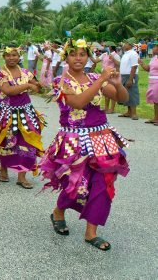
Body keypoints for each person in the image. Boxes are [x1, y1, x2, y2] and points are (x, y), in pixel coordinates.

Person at [41, 38, 129, 251]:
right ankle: (58, 212)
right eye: (73, 54)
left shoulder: (93, 77)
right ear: (66, 57)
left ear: (88, 57)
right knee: (76, 184)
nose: (78, 58)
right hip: (74, 140)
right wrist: (101, 80)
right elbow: (79, 102)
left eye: (82, 54)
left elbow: (122, 99)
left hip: (101, 138)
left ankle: (91, 232)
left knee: (102, 183)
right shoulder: (60, 82)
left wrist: (117, 84)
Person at [0, 47, 45, 188]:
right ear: (4, 57)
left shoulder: (26, 72)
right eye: (8, 55)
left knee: (28, 142)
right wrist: (28, 85)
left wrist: (39, 85)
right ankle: (4, 170)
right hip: (7, 112)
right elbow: (8, 91)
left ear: (19, 57)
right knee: (7, 141)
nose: (12, 58)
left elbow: (37, 88)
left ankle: (22, 176)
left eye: (14, 55)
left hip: (26, 111)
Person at [118, 39, 140, 120]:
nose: (124, 45)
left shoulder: (133, 54)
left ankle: (134, 113)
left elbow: (134, 66)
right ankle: (129, 111)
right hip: (124, 75)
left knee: (132, 93)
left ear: (130, 45)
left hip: (130, 75)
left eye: (126, 43)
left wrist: (130, 79)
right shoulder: (126, 54)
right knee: (126, 93)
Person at [138, 43, 158, 125]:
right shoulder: (154, 58)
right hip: (152, 81)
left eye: (154, 47)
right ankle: (156, 118)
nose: (152, 48)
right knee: (155, 100)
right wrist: (142, 63)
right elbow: (148, 69)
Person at [99, 44, 121, 114]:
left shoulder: (116, 55)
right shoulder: (105, 54)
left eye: (107, 46)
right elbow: (96, 60)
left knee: (112, 91)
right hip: (105, 74)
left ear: (110, 47)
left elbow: (118, 64)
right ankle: (106, 107)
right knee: (106, 91)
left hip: (112, 74)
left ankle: (112, 108)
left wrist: (113, 58)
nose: (106, 48)